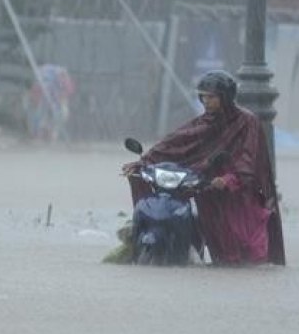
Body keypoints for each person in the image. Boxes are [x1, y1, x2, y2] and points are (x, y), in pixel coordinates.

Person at [119, 70, 285, 266]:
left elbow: (248, 160)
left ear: (225, 97)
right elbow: (175, 144)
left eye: (211, 97)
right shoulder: (203, 124)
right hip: (209, 192)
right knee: (221, 253)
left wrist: (228, 179)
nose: (206, 101)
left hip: (240, 197)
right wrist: (144, 161)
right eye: (203, 97)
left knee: (247, 251)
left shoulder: (248, 123)